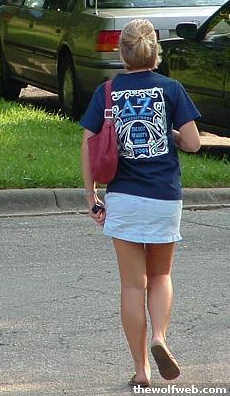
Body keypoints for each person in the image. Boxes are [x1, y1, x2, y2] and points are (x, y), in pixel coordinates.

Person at [80, 19, 201, 387]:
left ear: (122, 54)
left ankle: (140, 370)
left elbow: (88, 144)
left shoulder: (107, 91)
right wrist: (171, 133)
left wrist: (91, 195)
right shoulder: (171, 89)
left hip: (123, 197)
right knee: (161, 275)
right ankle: (159, 337)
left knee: (133, 285)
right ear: (156, 51)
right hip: (164, 197)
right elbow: (194, 143)